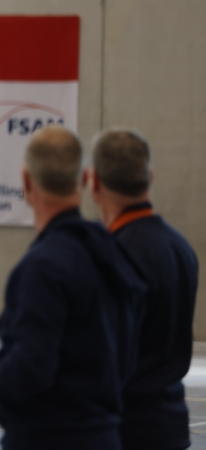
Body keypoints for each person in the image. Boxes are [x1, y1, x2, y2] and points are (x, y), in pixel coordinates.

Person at [0, 125, 146, 450]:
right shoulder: (112, 254)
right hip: (105, 435)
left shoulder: (43, 267)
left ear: (26, 182)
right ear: (83, 179)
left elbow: (31, 368)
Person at [89, 129, 198, 450]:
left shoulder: (112, 255)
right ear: (150, 177)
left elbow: (100, 356)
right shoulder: (181, 248)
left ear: (93, 182)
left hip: (126, 430)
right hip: (170, 426)